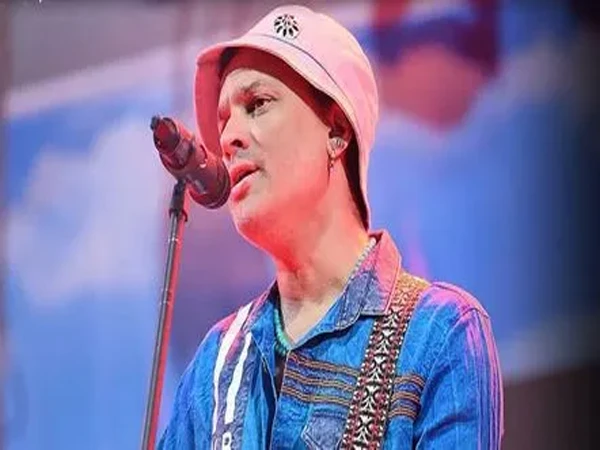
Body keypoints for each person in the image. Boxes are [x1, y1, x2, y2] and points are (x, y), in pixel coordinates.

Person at [159, 5, 503, 449]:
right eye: (224, 121)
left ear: (337, 130)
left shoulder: (439, 334)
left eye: (257, 104)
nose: (227, 139)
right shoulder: (215, 365)